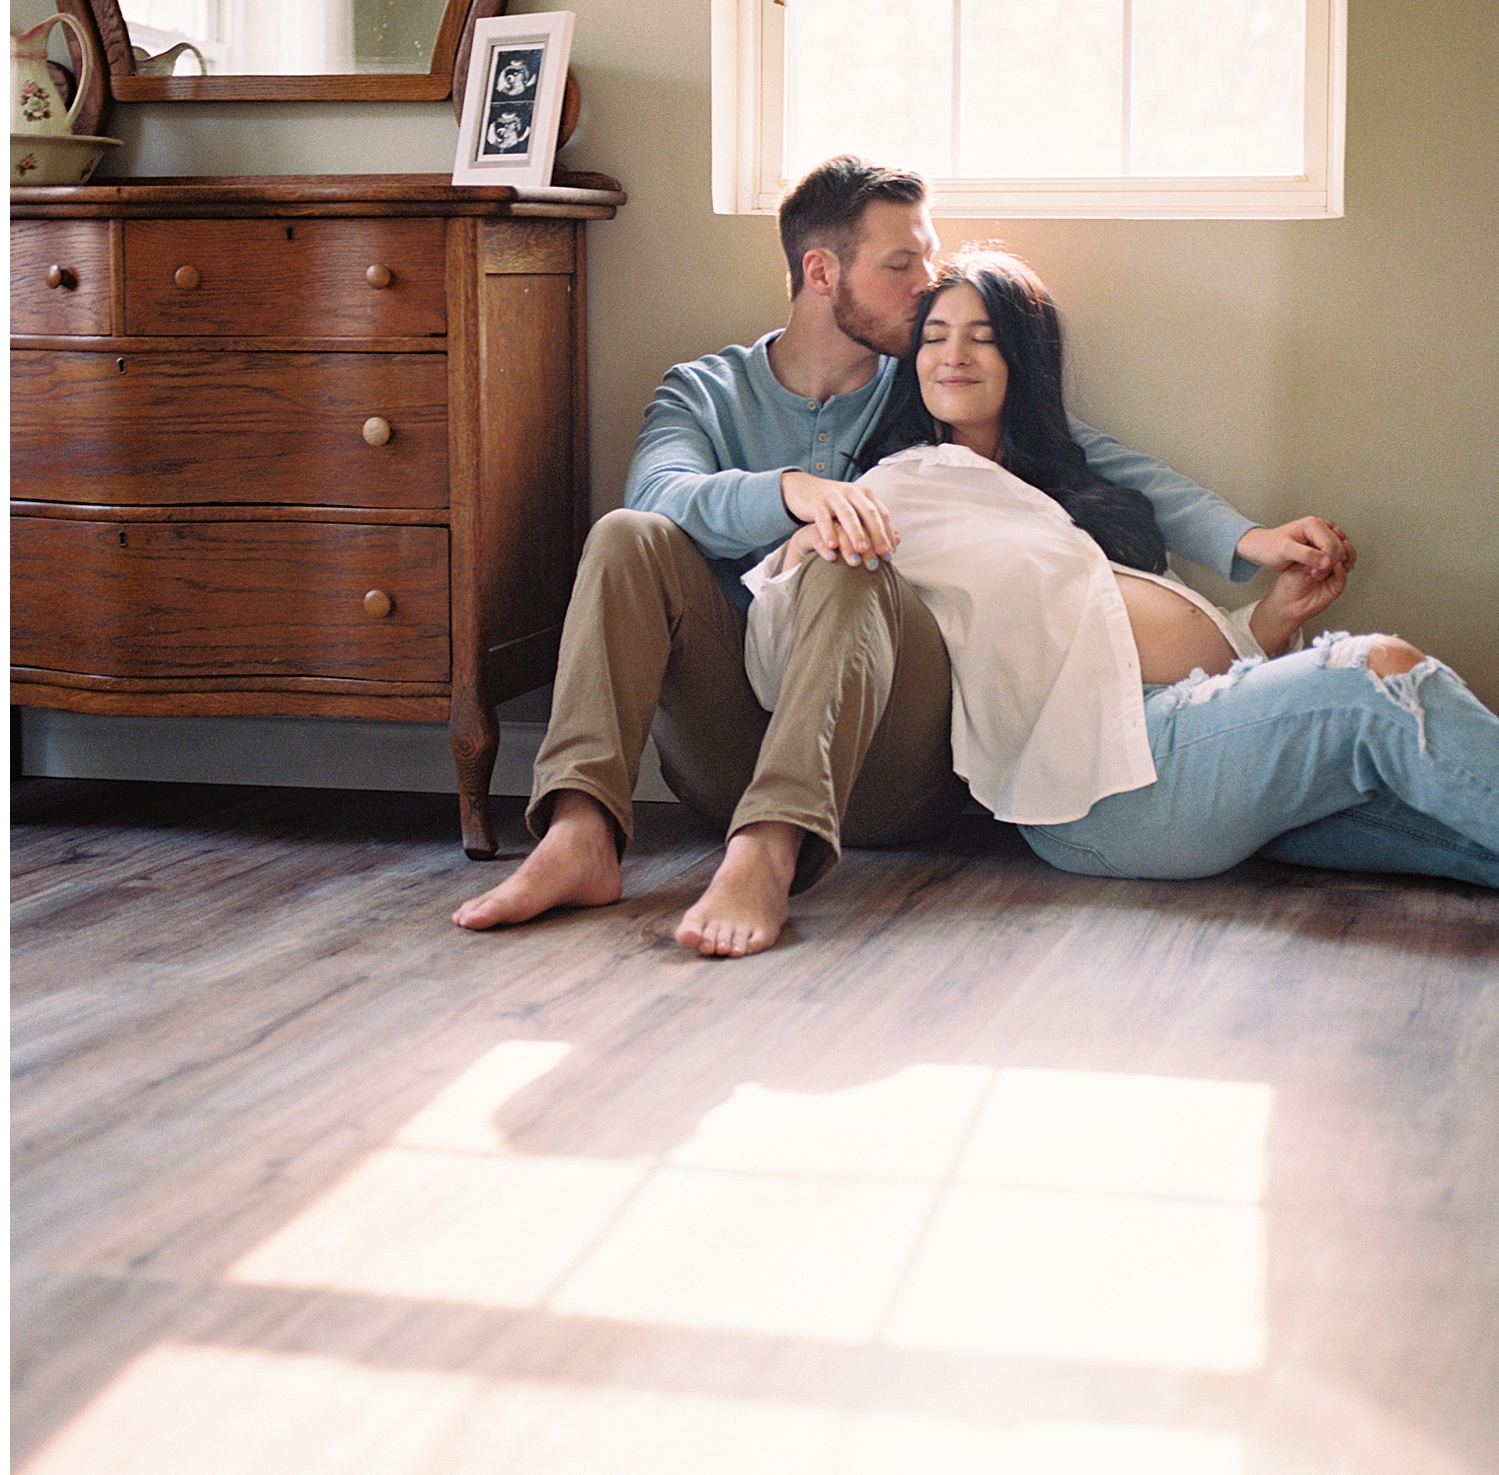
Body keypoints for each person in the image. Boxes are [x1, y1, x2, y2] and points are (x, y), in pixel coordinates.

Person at [455, 154, 1356, 953]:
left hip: (891, 761)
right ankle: (577, 832)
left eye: (929, 256)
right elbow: (657, 499)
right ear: (821, 272)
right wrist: (789, 492)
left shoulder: (929, 384)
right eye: (903, 265)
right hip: (731, 734)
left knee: (854, 564)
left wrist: (1245, 539)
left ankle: (771, 852)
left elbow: (1087, 456)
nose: (931, 285)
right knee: (627, 534)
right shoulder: (706, 390)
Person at [745, 250, 1499, 909]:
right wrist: (798, 541)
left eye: (983, 335)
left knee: (1471, 831)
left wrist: (1270, 620)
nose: (952, 355)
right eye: (932, 337)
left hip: (1177, 738)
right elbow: (784, 604)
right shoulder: (903, 485)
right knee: (1380, 677)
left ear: (1024, 359)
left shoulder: (1044, 494)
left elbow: (1104, 640)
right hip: (1109, 784)